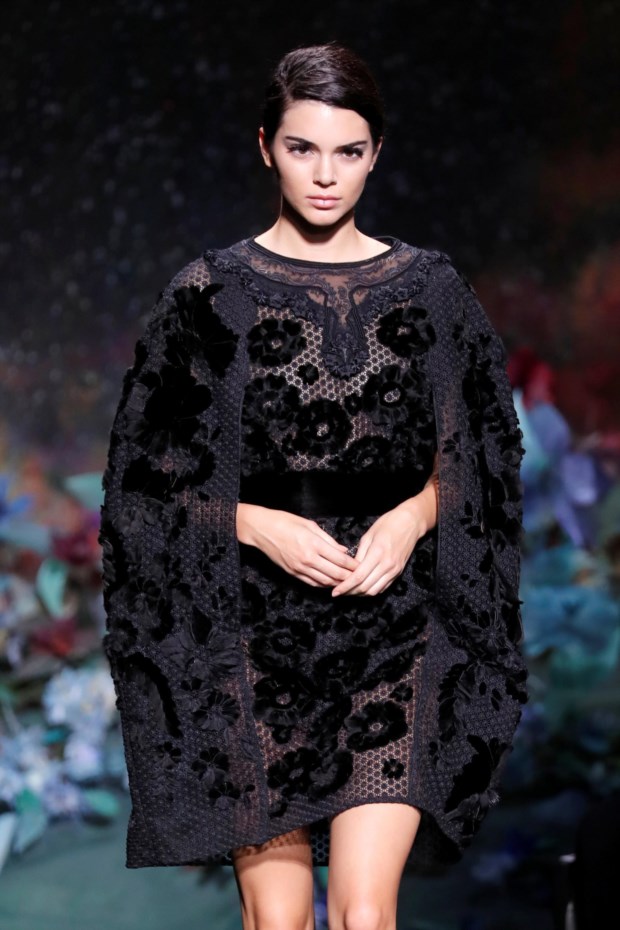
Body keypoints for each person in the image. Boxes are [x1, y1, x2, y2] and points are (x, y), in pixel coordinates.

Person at [99, 42, 528, 930]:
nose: (326, 175)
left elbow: (486, 454)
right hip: (251, 639)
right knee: (281, 919)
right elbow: (140, 490)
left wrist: (413, 518)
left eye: (348, 151)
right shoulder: (209, 295)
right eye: (303, 148)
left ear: (376, 154)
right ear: (266, 147)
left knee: (365, 913)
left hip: (396, 625)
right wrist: (256, 524)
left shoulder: (431, 290)